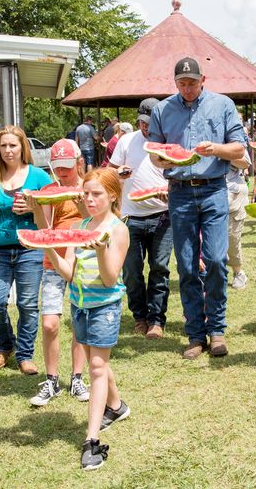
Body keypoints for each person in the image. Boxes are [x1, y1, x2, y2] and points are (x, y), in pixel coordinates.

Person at [148, 57, 247, 359]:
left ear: (204, 79)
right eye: (182, 83)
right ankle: (195, 334)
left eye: (192, 83)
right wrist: (162, 160)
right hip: (179, 193)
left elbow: (239, 148)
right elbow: (154, 151)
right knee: (188, 265)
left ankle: (217, 329)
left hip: (214, 189)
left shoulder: (223, 105)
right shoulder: (162, 110)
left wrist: (215, 149)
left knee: (216, 260)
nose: (188, 88)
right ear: (175, 82)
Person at [41, 168, 130, 470]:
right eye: (87, 194)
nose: (90, 200)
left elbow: (109, 279)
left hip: (105, 305)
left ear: (112, 196)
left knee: (95, 366)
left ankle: (91, 440)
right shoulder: (79, 225)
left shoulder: (118, 230)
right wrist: (49, 246)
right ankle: (116, 407)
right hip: (79, 304)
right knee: (97, 359)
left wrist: (102, 249)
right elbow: (69, 272)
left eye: (97, 194)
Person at [0, 125, 51, 374]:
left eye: (13, 145)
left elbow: (53, 213)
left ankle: (25, 355)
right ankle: (6, 346)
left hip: (30, 248)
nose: (8, 150)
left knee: (28, 304)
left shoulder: (39, 176)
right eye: (3, 145)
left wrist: (33, 209)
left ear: (22, 148)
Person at [28, 139, 90, 406]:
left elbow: (92, 221)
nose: (63, 173)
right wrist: (36, 207)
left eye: (67, 167)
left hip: (82, 262)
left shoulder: (89, 187)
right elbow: (44, 227)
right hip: (52, 262)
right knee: (50, 323)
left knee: (79, 322)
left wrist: (80, 202)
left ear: (78, 162)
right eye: (58, 168)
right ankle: (51, 380)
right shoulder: (47, 190)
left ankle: (77, 378)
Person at [109, 98, 173, 339]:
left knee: (160, 267)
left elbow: (178, 172)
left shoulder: (168, 140)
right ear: (138, 120)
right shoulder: (126, 141)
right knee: (132, 272)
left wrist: (170, 191)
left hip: (163, 216)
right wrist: (118, 174)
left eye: (151, 123)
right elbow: (110, 172)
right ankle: (139, 317)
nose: (147, 127)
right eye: (143, 123)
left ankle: (157, 320)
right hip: (130, 217)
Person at [226, 116, 251, 291]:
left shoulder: (233, 136)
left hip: (232, 194)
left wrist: (220, 152)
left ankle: (238, 272)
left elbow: (245, 162)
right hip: (204, 194)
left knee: (232, 237)